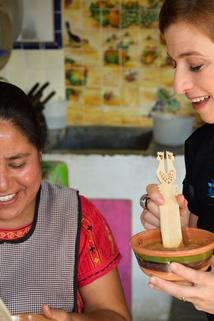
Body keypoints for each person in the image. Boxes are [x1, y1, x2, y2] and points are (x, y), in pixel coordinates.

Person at [0, 81, 131, 321]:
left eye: (17, 164)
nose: (2, 184)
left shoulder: (76, 218)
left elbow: (115, 315)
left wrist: (71, 320)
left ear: (40, 152)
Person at [140, 1, 214, 320]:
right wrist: (181, 232)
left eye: (195, 65)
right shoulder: (202, 149)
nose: (179, 85)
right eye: (174, 64)